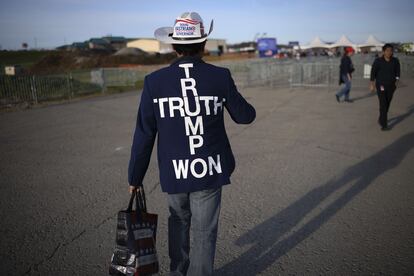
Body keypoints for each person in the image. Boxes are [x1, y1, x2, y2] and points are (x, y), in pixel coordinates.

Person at [127, 12, 256, 276]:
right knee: (204, 231)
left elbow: (144, 133)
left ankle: (178, 272)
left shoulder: (154, 82)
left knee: (178, 221)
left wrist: (135, 176)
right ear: (203, 44)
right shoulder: (220, 76)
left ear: (174, 46)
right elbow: (245, 116)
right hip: (209, 167)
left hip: (175, 170)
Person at [370, 43, 401, 131]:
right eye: (387, 51)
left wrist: (397, 80)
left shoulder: (395, 61)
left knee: (387, 103)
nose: (389, 52)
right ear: (383, 51)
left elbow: (398, 71)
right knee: (383, 103)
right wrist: (372, 84)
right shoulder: (378, 61)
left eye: (391, 51)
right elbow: (373, 72)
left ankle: (381, 118)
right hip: (381, 85)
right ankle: (384, 124)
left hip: (391, 86)